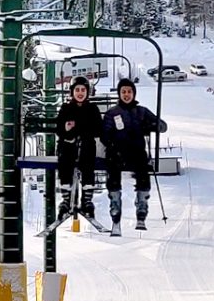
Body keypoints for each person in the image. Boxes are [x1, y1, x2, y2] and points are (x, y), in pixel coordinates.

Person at [101, 78, 167, 233]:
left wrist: (151, 125)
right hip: (117, 151)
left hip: (136, 151)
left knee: (143, 167)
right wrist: (111, 142)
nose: (126, 95)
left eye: (129, 92)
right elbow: (104, 134)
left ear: (134, 94)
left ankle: (142, 203)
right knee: (113, 167)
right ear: (119, 94)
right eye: (123, 92)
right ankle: (115, 203)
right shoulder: (112, 113)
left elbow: (162, 126)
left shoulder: (141, 111)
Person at [56, 76, 102, 219]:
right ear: (72, 92)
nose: (80, 93)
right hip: (69, 146)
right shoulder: (66, 108)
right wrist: (68, 132)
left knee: (88, 164)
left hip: (86, 146)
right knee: (65, 164)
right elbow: (60, 130)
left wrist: (81, 131)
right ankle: (66, 199)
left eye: (83, 90)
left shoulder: (92, 109)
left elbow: (98, 129)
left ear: (87, 92)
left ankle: (86, 200)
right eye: (77, 90)